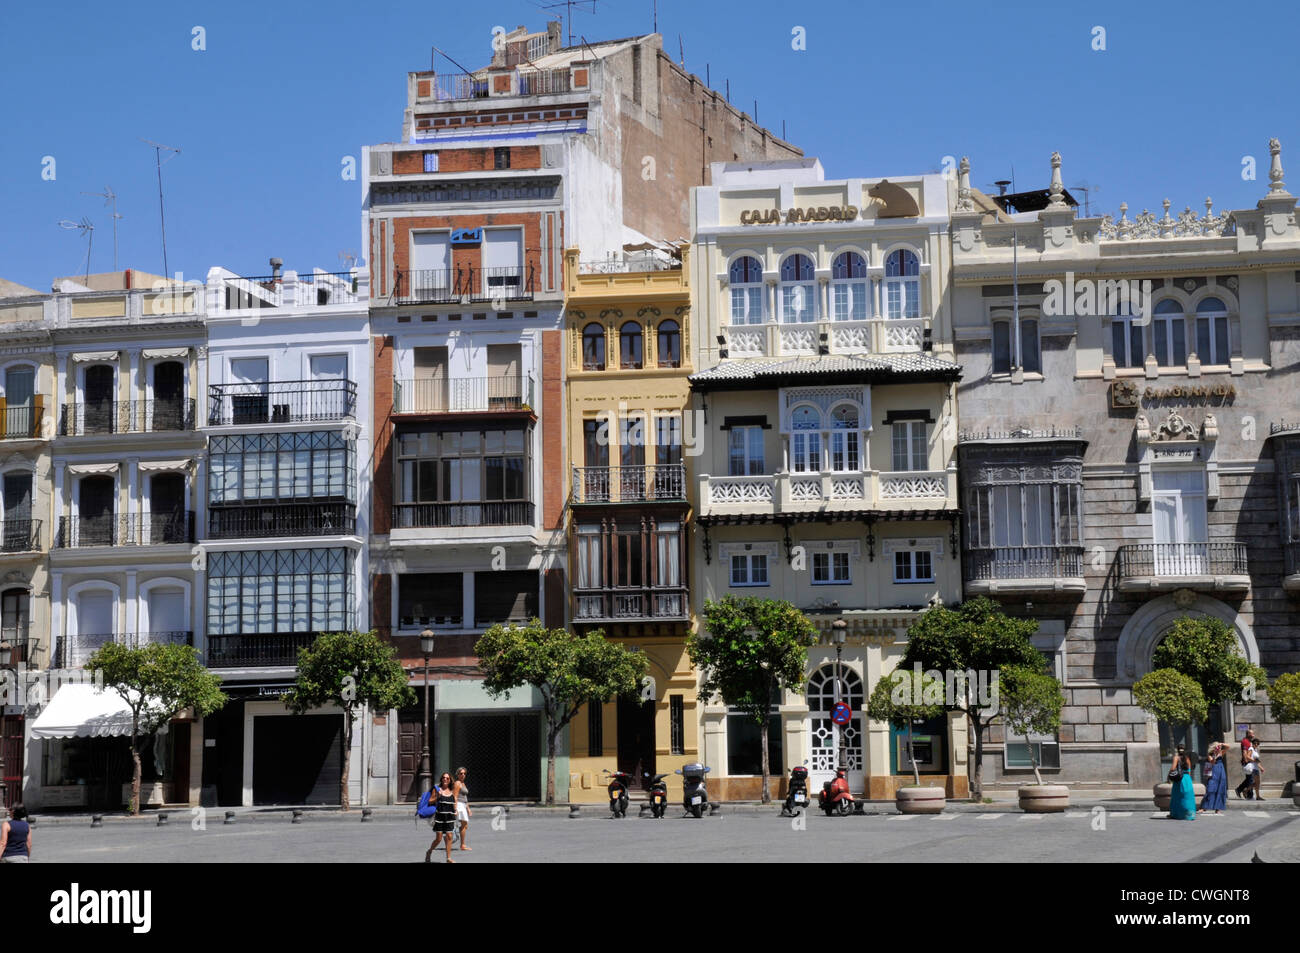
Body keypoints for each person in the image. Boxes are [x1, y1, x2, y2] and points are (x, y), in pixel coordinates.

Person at [424, 773, 457, 864]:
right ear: (441, 779)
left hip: (450, 816)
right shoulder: (437, 789)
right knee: (438, 839)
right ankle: (429, 851)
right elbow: (430, 801)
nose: (445, 779)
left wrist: (455, 810)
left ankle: (448, 858)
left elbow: (454, 801)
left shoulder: (452, 790)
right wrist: (438, 797)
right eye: (444, 778)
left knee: (449, 837)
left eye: (447, 778)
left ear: (450, 780)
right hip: (440, 817)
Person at [1168, 744, 1196, 821]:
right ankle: (1189, 814)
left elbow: (1173, 768)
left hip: (1179, 779)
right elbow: (1189, 771)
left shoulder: (1176, 758)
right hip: (1187, 779)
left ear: (1177, 750)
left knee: (1177, 796)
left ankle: (1175, 814)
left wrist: (1168, 776)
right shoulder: (1187, 759)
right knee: (1187, 797)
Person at [1201, 743, 1227, 815]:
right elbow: (1213, 762)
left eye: (1218, 747)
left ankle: (1218, 809)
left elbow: (1228, 747)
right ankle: (1204, 807)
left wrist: (1221, 744)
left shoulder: (1221, 752)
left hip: (1221, 771)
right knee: (1210, 788)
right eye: (1216, 747)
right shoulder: (1210, 754)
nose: (1218, 748)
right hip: (1213, 771)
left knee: (1220, 788)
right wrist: (1215, 755)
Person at [452, 766, 472, 851]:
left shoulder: (463, 783)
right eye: (461, 773)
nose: (463, 775)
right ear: (457, 775)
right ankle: (462, 845)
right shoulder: (457, 783)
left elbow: (465, 797)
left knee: (464, 825)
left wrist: (468, 808)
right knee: (464, 824)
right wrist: (455, 808)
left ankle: (458, 837)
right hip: (459, 805)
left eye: (464, 773)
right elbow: (455, 796)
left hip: (463, 805)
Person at [1235, 731, 1256, 799]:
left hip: (1250, 762)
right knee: (1250, 780)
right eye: (1252, 734)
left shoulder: (1249, 742)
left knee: (1249, 779)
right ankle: (1249, 795)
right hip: (1248, 763)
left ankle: (1239, 789)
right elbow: (1244, 752)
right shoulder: (1245, 741)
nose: (1253, 735)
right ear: (1248, 734)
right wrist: (1246, 760)